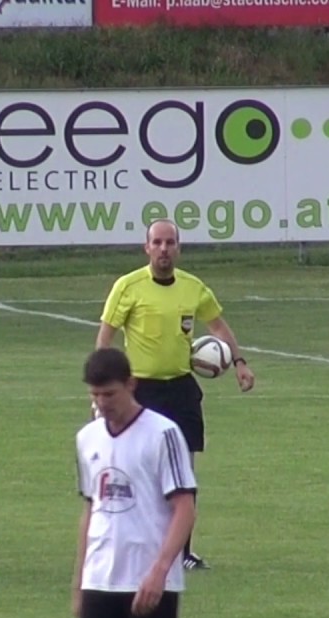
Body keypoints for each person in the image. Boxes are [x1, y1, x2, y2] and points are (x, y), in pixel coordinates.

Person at [95, 219, 254, 571]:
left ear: (179, 248)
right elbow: (105, 337)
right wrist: (103, 388)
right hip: (140, 391)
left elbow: (217, 325)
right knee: (136, 471)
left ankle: (183, 553)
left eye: (170, 243)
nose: (164, 249)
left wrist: (239, 362)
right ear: (146, 247)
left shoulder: (193, 288)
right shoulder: (128, 287)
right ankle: (135, 546)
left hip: (181, 389)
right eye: (157, 242)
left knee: (183, 473)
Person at [72, 347, 198, 618]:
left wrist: (159, 571)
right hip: (100, 579)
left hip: (148, 580)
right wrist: (79, 583)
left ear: (131, 384)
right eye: (95, 394)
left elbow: (185, 507)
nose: (102, 403)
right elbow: (91, 509)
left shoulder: (163, 434)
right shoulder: (87, 438)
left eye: (109, 394)